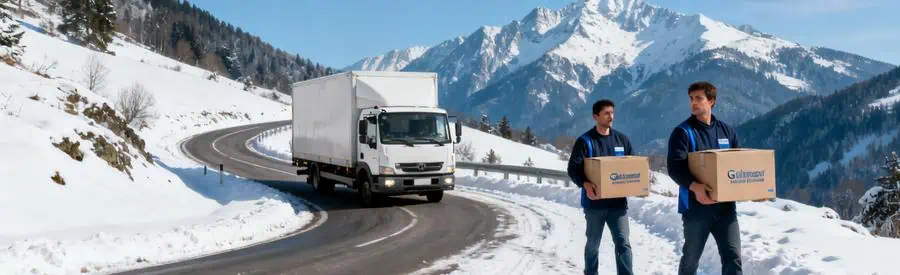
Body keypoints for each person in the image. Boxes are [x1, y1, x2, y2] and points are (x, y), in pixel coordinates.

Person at [666, 81, 743, 275]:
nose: (693, 103)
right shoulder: (683, 133)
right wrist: (695, 186)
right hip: (696, 209)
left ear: (712, 101)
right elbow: (675, 167)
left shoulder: (727, 131)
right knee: (691, 259)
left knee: (733, 257)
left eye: (699, 98)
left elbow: (738, 165)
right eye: (691, 99)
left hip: (726, 208)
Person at [567, 99, 634, 275]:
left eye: (612, 112)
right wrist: (585, 184)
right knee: (593, 245)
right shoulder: (586, 141)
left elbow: (633, 167)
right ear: (595, 116)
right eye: (606, 113)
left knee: (623, 243)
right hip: (594, 204)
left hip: (618, 204)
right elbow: (573, 169)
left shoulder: (622, 140)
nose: (610, 116)